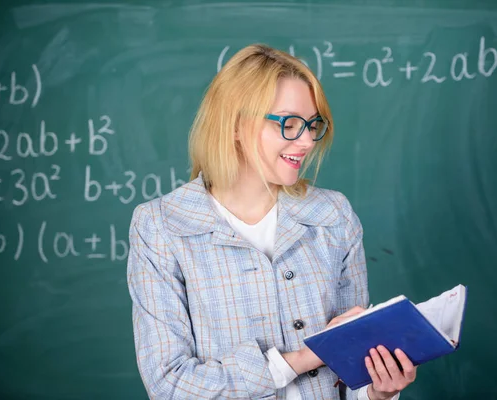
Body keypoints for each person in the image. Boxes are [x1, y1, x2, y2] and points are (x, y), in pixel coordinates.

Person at [127, 44, 417, 400]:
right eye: (290, 123)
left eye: (312, 125)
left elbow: (350, 377)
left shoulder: (333, 216)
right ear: (235, 125)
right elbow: (170, 384)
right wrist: (299, 360)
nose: (308, 140)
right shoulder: (160, 226)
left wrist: (378, 391)